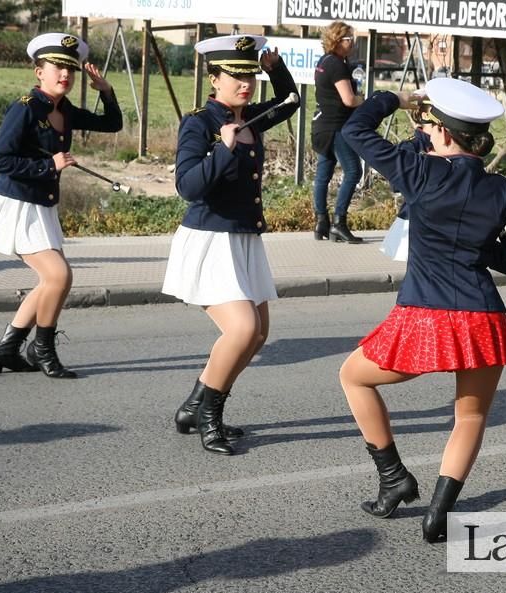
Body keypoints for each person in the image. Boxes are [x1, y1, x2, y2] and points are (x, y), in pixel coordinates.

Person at [339, 78, 506, 542]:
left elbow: (355, 130)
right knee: (469, 418)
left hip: (425, 315)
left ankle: (393, 476)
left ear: (445, 134)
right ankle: (439, 515)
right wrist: (482, 241)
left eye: (429, 124)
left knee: (353, 376)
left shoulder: (418, 172)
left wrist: (397, 99)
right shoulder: (501, 192)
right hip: (483, 317)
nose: (425, 131)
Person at [161, 35, 299, 455]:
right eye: (235, 76)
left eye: (250, 75)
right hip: (210, 239)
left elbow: (290, 101)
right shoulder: (199, 122)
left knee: (258, 334)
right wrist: (222, 149)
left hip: (242, 238)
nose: (245, 83)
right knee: (241, 329)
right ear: (214, 78)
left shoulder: (252, 118)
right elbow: (187, 186)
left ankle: (194, 405)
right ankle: (209, 417)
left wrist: (275, 68)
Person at [0, 33, 122, 378]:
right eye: (57, 67)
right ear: (39, 71)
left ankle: (8, 349)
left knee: (49, 281)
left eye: (70, 69)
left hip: (40, 207)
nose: (65, 75)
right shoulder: (26, 108)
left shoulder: (64, 110)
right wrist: (47, 167)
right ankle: (42, 349)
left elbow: (111, 124)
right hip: (15, 205)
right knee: (59, 276)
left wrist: (106, 91)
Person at [311, 21, 364, 244]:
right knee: (353, 171)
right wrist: (366, 101)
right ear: (337, 40)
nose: (352, 43)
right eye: (348, 39)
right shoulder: (337, 65)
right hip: (336, 127)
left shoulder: (324, 61)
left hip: (321, 126)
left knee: (323, 175)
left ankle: (321, 222)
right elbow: (349, 99)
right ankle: (338, 223)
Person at [378, 95, 435, 261]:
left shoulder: (447, 144)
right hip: (414, 219)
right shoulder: (411, 147)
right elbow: (397, 183)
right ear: (425, 116)